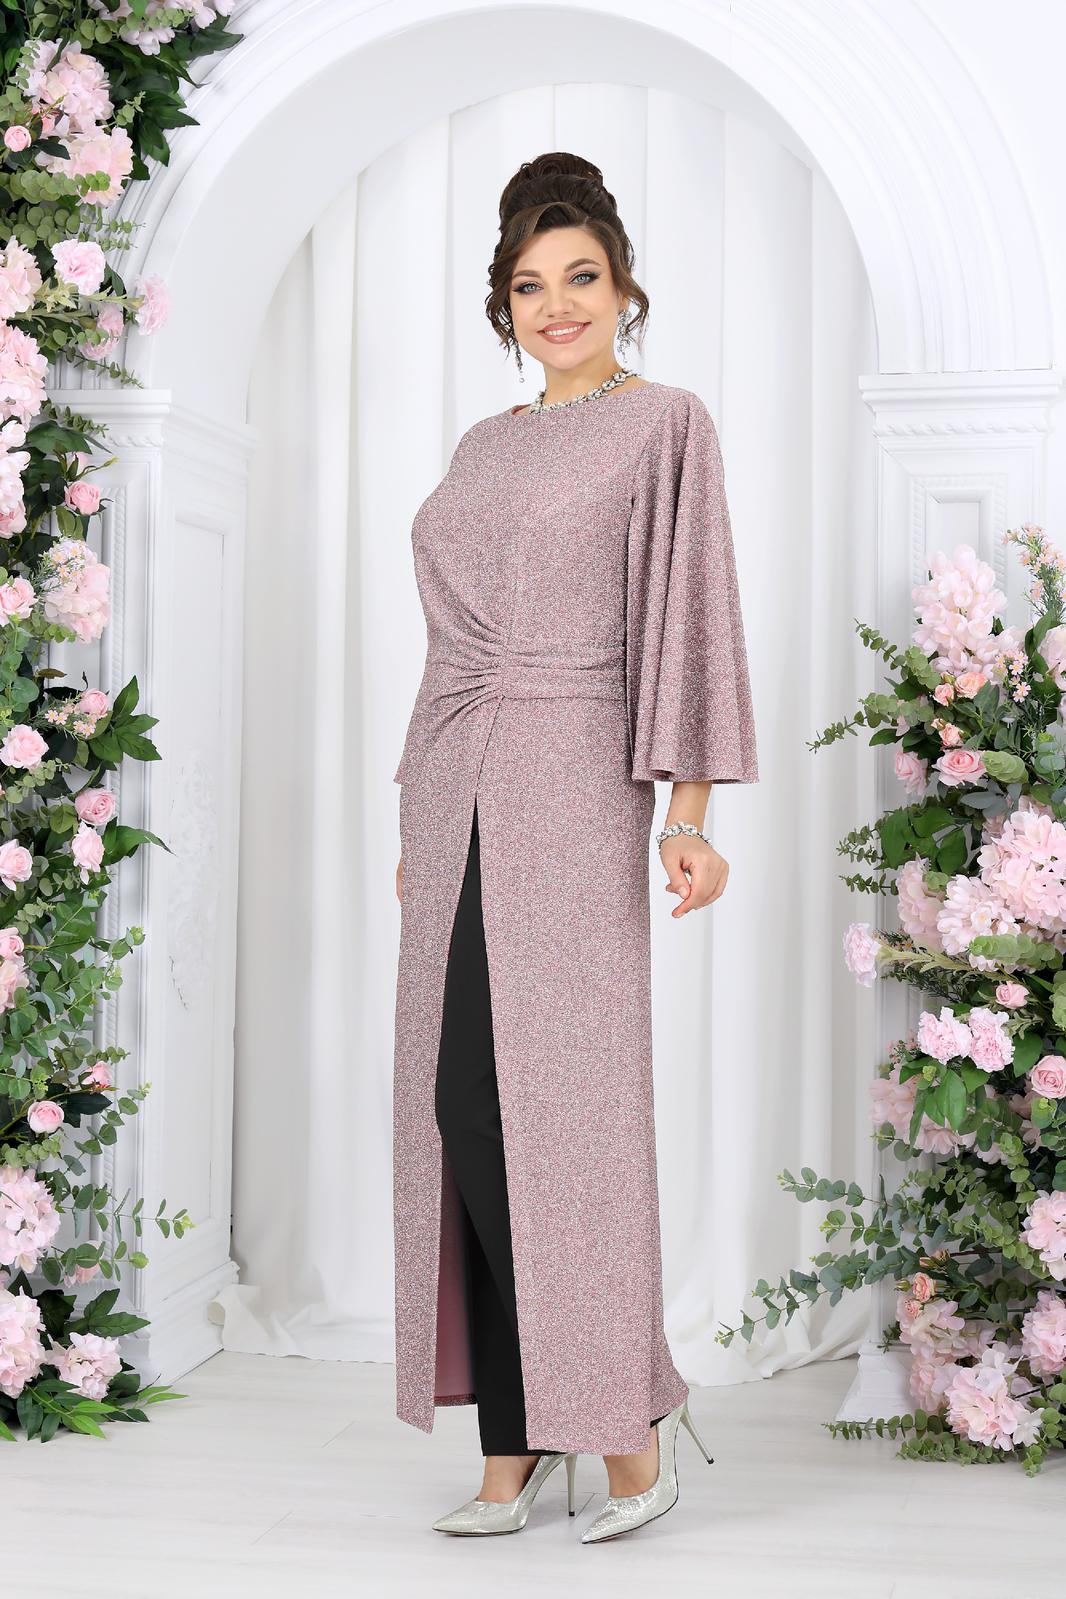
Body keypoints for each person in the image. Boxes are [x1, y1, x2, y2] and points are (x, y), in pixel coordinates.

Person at [392, 151, 759, 1543]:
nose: (558, 306)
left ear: (624, 287)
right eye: (531, 286)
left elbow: (690, 616)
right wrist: (417, 817)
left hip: (573, 776)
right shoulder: (482, 446)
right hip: (456, 783)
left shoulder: (664, 424)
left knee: (574, 1113)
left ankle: (624, 1430)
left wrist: (687, 812)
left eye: (582, 278)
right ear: (503, 305)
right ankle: (516, 1434)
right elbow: (446, 648)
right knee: (461, 1107)